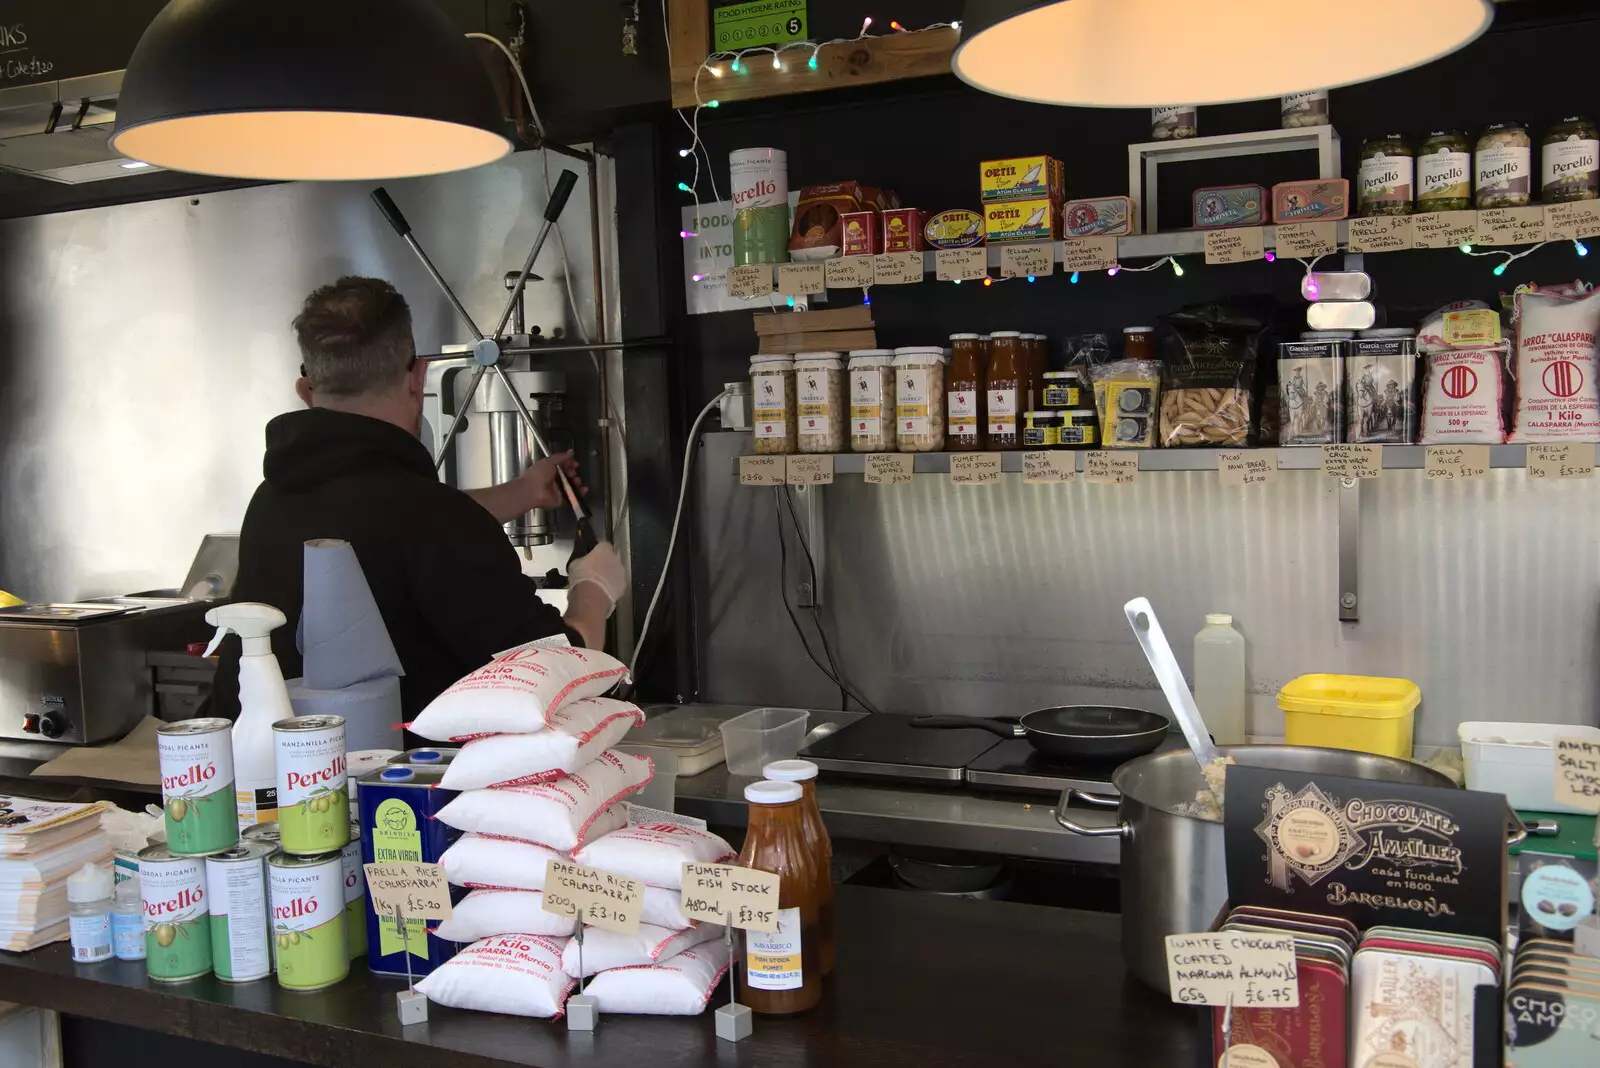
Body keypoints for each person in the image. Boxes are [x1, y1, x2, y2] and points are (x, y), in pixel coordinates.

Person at [213, 276, 626, 720]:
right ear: (418, 377)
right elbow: (557, 674)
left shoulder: (271, 501)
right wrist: (594, 590)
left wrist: (521, 493)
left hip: (274, 777)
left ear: (307, 392)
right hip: (404, 783)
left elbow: (384, 522)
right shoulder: (432, 518)